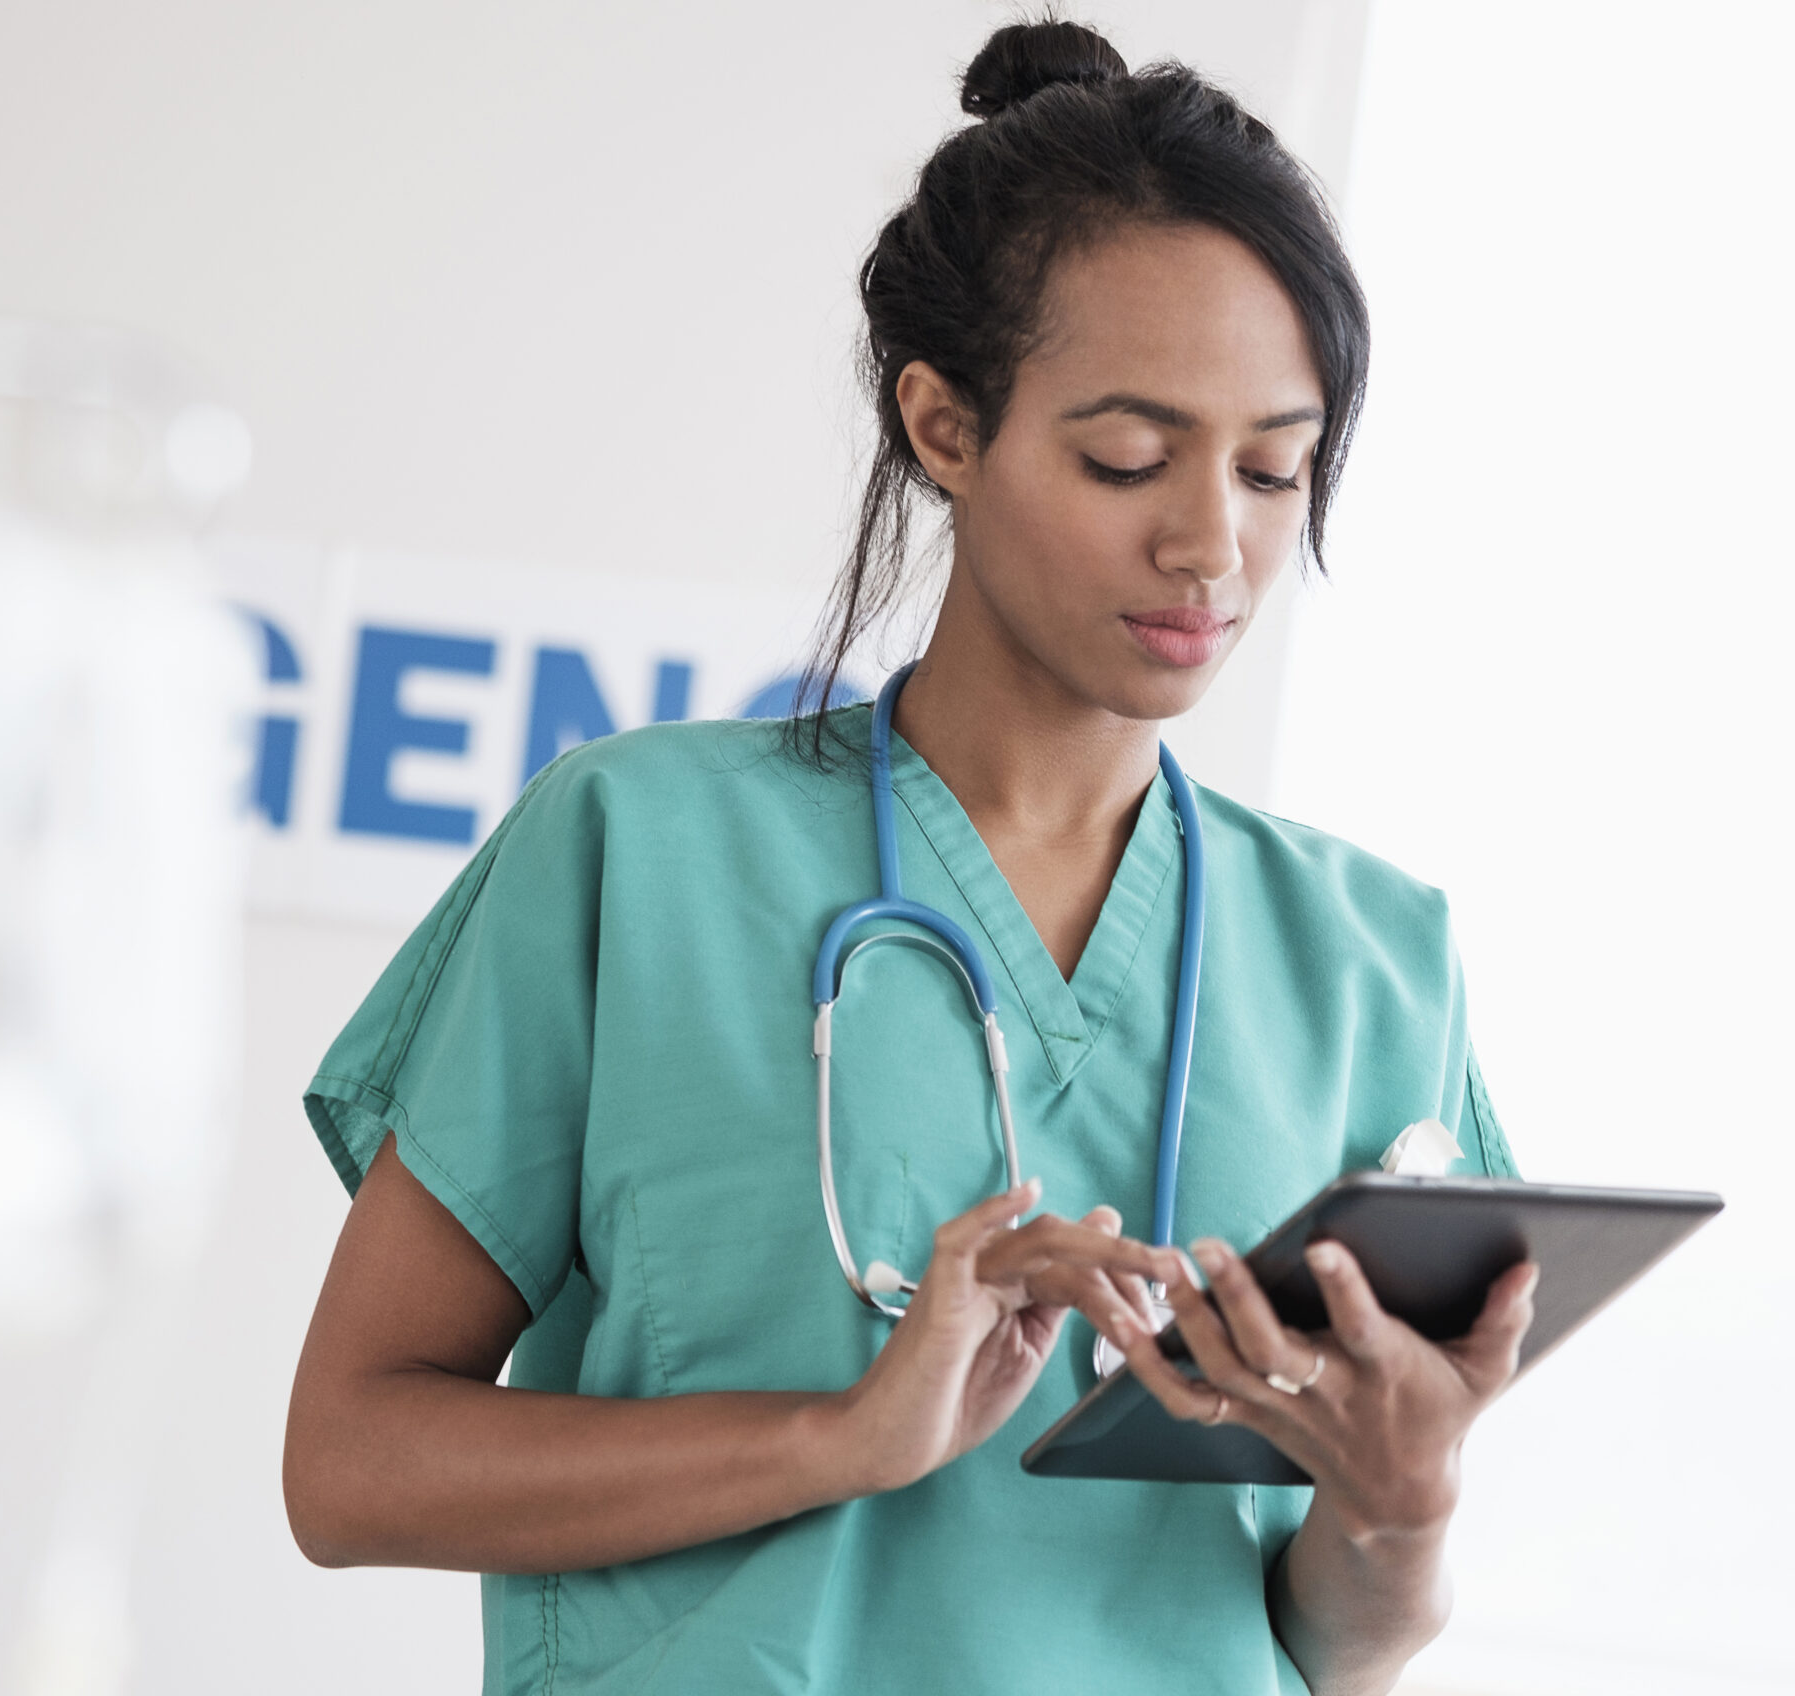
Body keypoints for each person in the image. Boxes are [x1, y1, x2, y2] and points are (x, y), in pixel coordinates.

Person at [282, 21, 1535, 1695]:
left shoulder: (1375, 963)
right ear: (943, 425)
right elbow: (349, 1467)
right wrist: (842, 1436)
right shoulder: (634, 851)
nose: (1210, 546)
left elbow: (1332, 1644)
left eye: (1272, 466)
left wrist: (1406, 1508)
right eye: (1128, 457)